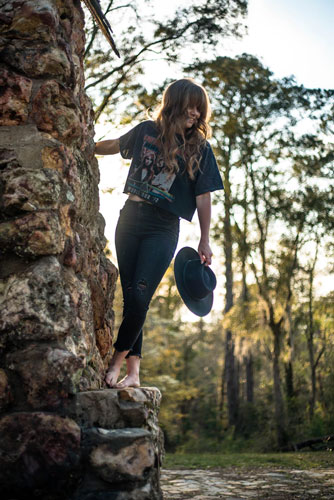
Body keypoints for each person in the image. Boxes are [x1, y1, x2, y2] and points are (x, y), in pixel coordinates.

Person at [94, 78, 223, 389]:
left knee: (140, 295)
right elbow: (116, 145)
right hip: (130, 219)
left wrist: (205, 239)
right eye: (191, 106)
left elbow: (203, 197)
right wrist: (86, 145)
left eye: (199, 108)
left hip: (163, 227)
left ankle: (115, 363)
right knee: (131, 298)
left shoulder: (200, 149)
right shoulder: (146, 131)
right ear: (176, 103)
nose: (195, 113)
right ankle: (134, 372)